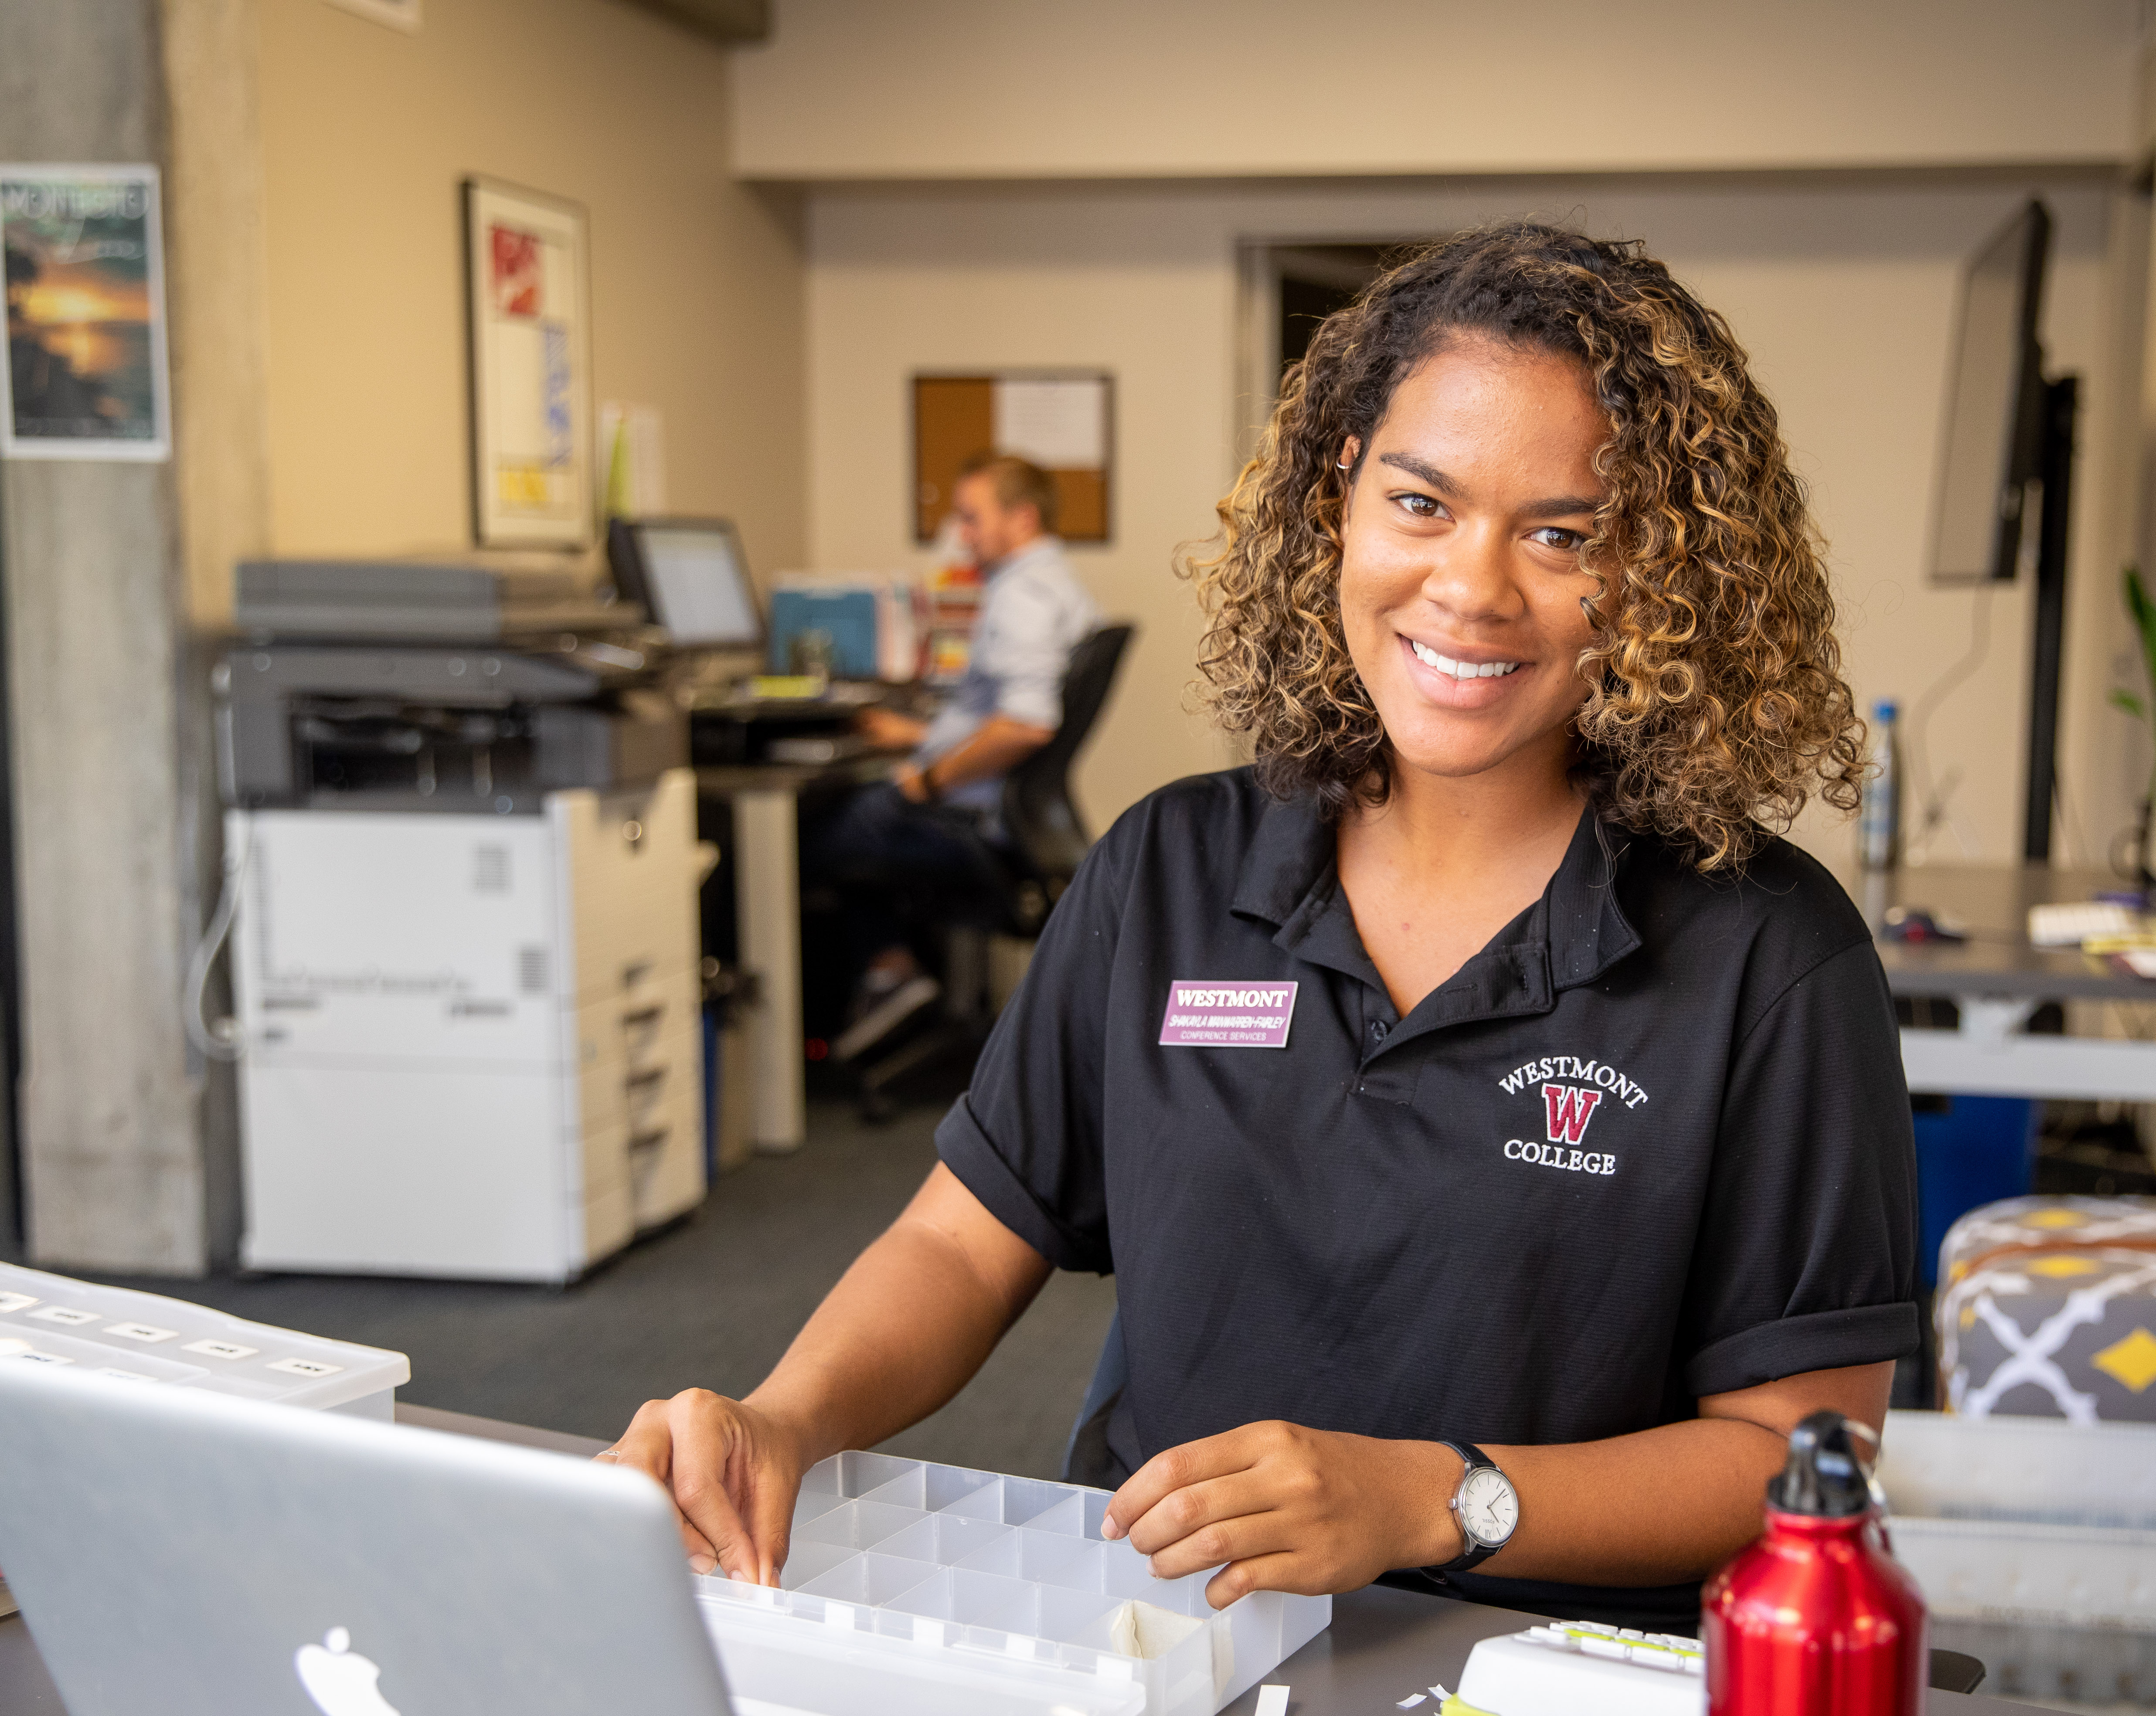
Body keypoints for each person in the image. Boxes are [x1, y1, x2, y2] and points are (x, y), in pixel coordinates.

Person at [611, 222, 1916, 1631]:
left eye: (1562, 535)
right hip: (1169, 1641)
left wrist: (1434, 1498)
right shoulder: (1168, 869)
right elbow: (961, 1242)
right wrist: (784, 1417)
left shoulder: (1771, 955)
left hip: (1541, 1697)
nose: (1472, 587)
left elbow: (1798, 1456)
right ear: (1341, 496)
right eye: (1423, 503)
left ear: (1659, 576)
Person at [812, 453, 1099, 1058]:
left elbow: (1024, 726)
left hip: (974, 822)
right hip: (1007, 814)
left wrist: (930, 778)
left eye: (972, 518)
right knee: (857, 808)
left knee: (826, 829)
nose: (961, 534)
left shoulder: (1022, 597)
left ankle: (890, 975)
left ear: (1021, 519)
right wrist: (919, 736)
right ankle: (898, 976)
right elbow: (1001, 714)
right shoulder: (1049, 585)